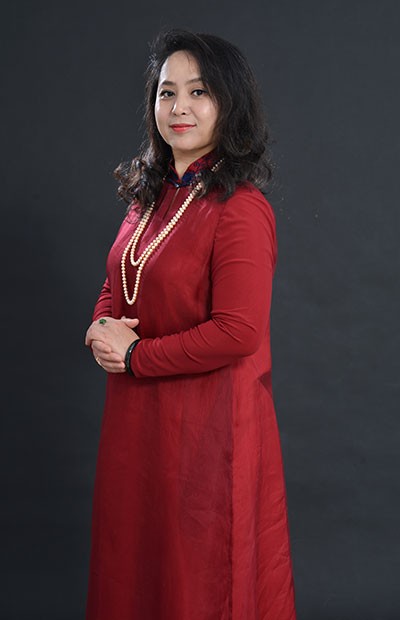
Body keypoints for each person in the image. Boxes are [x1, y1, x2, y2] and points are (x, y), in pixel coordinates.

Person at [84, 28, 296, 620]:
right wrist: (101, 327)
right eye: (167, 92)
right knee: (134, 570)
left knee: (197, 583)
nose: (179, 107)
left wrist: (134, 356)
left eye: (199, 91)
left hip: (206, 434)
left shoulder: (241, 209)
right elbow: (119, 279)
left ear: (229, 103)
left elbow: (238, 332)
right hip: (137, 426)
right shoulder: (147, 198)